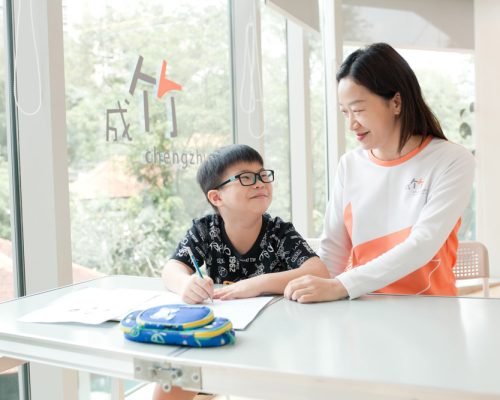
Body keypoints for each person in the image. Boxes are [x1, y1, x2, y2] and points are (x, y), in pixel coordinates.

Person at [284, 42, 475, 303]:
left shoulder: (451, 160)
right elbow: (333, 253)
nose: (351, 124)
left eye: (359, 110)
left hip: (432, 314)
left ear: (396, 102)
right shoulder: (349, 165)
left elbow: (422, 245)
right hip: (361, 310)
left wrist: (340, 286)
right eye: (344, 113)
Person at [154, 144, 329, 400]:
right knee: (168, 383)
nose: (260, 183)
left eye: (263, 175)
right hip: (218, 333)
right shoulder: (205, 230)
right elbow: (172, 268)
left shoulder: (279, 232)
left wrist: (257, 283)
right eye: (246, 178)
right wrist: (185, 284)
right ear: (216, 197)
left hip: (273, 341)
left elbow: (319, 271)